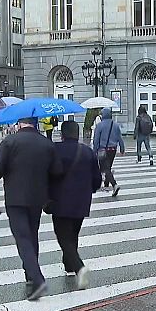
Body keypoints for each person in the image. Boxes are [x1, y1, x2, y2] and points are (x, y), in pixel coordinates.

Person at [0, 116, 63, 301]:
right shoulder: (46, 143)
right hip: (37, 198)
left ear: (19, 123)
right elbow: (57, 171)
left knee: (22, 237)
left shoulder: (10, 141)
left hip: (15, 198)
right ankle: (30, 274)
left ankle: (37, 279)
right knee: (32, 235)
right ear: (35, 122)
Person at [48, 121, 101, 289]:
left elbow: (47, 174)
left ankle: (79, 267)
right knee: (73, 234)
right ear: (77, 134)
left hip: (60, 201)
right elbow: (97, 180)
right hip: (82, 202)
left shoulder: (54, 150)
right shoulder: (87, 151)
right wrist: (88, 190)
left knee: (62, 236)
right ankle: (68, 265)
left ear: (62, 134)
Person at [93, 107, 125, 197]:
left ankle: (114, 185)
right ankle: (106, 186)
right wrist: (122, 149)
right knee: (108, 167)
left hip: (103, 150)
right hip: (113, 150)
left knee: (105, 168)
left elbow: (96, 140)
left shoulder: (99, 125)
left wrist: (94, 151)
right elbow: (120, 138)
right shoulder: (115, 125)